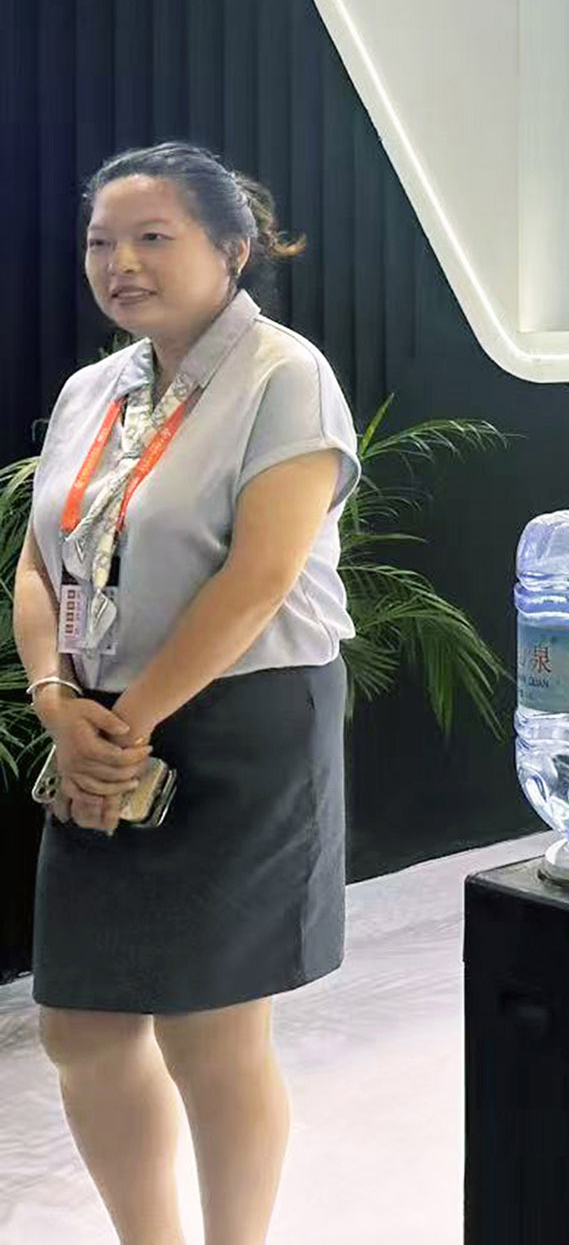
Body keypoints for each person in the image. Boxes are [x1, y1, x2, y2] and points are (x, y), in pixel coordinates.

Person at [16, 144, 361, 1245]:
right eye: (100, 242)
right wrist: (55, 700)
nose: (120, 263)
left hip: (237, 721)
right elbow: (39, 563)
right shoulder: (93, 390)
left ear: (233, 248)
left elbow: (259, 578)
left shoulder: (282, 374)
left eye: (152, 237)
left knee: (210, 1031)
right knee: (81, 1027)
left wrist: (127, 722)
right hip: (97, 727)